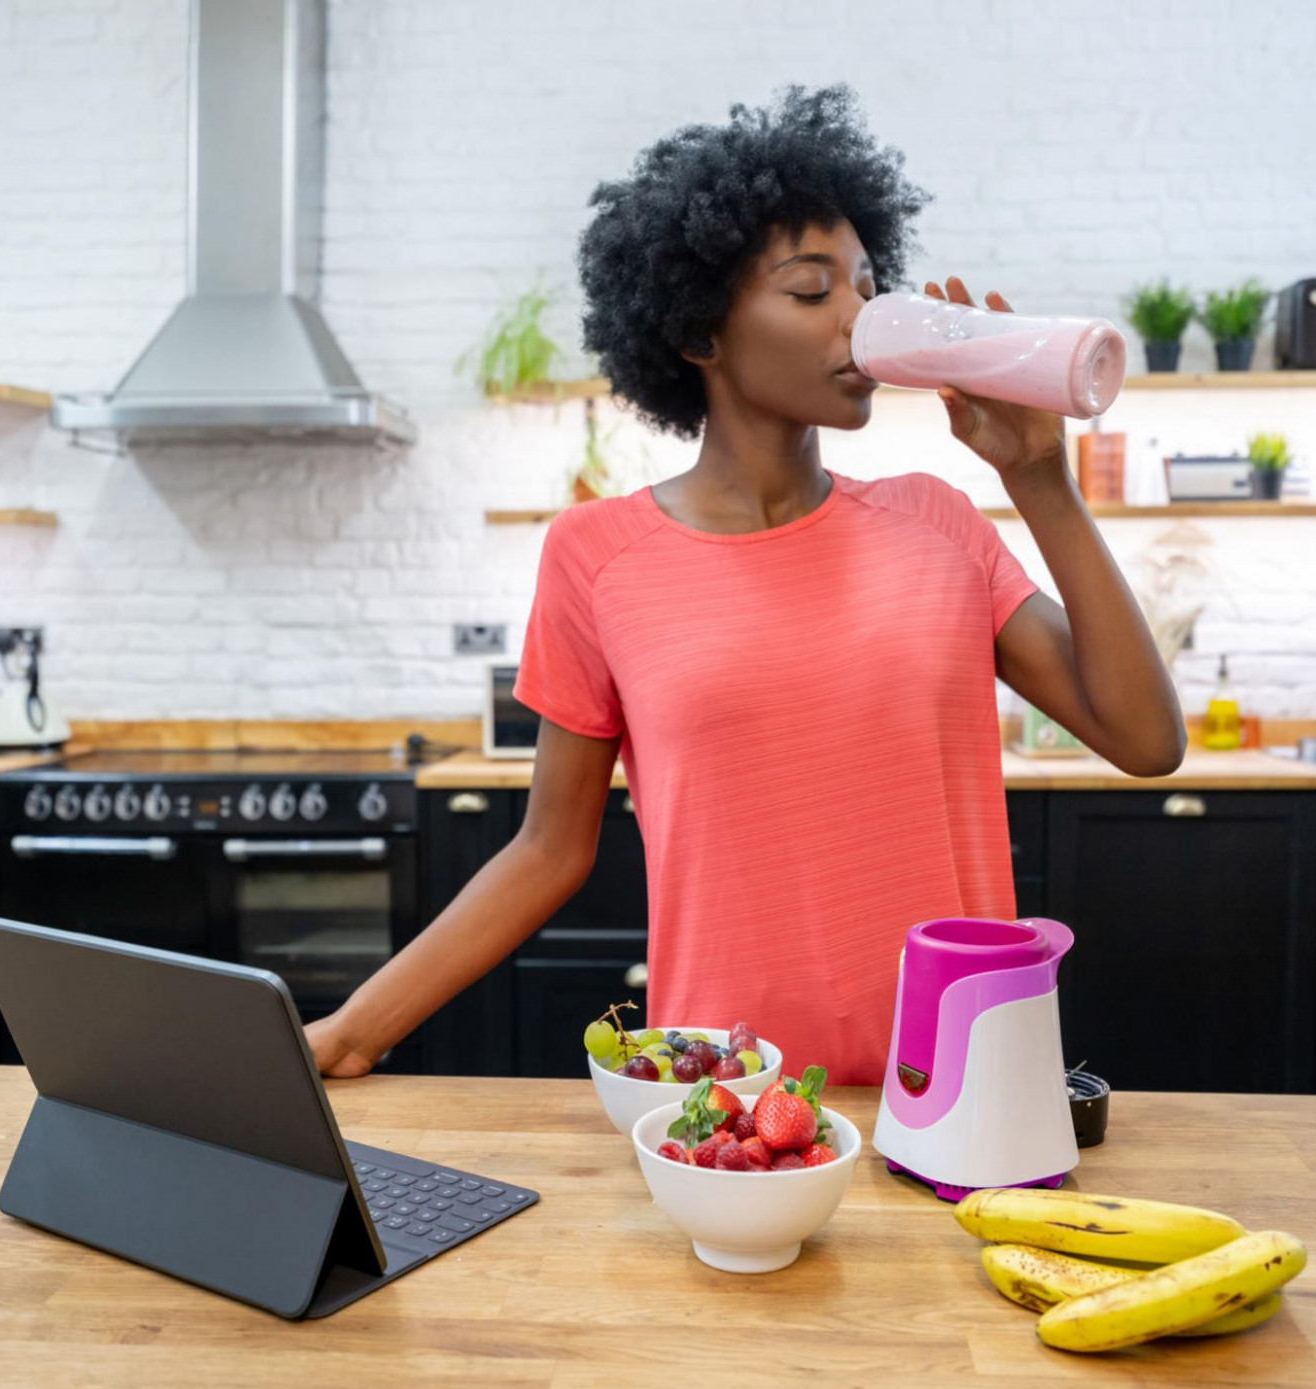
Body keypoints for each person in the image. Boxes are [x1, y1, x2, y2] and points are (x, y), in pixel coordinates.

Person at [306, 85, 1185, 1085]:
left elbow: (1144, 740)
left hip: (962, 1089)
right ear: (696, 332)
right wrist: (351, 1030)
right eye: (812, 292)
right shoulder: (597, 555)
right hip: (725, 1106)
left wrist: (1037, 481)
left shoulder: (935, 520)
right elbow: (547, 850)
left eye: (865, 287)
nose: (856, 321)